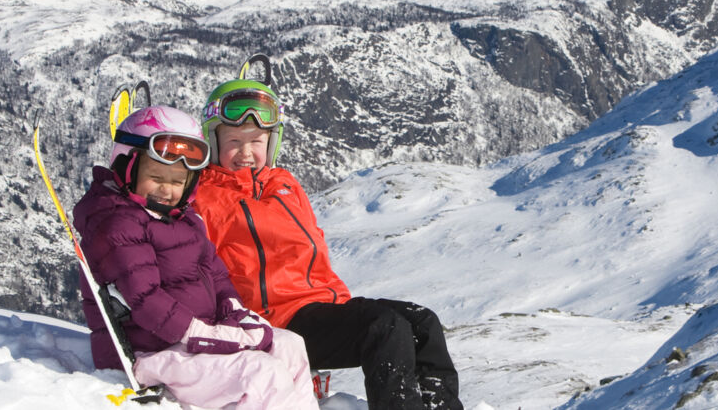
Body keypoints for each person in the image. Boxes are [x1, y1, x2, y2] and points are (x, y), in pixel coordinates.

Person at [194, 79, 463, 409]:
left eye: (256, 141)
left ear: (272, 141)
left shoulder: (285, 184)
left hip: (323, 304)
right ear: (213, 140)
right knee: (385, 328)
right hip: (277, 319)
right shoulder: (205, 198)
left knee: (423, 323)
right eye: (234, 141)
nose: (246, 153)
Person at [73, 105, 320, 410]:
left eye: (178, 182)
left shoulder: (186, 220)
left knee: (290, 345)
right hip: (151, 353)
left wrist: (233, 310)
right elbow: (145, 301)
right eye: (156, 177)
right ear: (127, 166)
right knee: (261, 374)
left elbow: (217, 277)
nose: (166, 189)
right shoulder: (117, 224)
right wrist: (208, 335)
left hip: (191, 345)